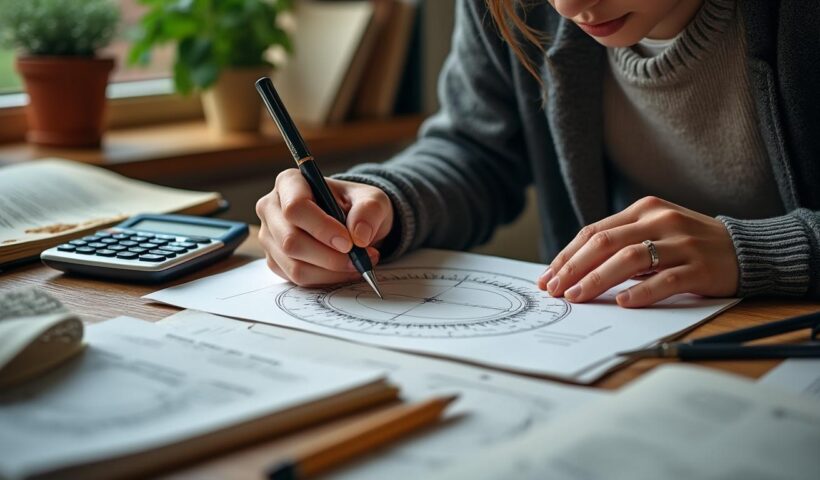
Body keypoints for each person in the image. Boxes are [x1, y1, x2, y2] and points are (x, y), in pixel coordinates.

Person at [255, 0, 819, 308]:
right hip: (616, 355)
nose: (570, 6)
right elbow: (476, 151)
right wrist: (384, 202)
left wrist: (756, 253)